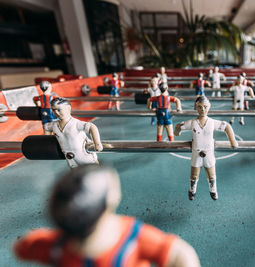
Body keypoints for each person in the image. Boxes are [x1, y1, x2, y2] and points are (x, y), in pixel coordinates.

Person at [14, 164, 201, 267]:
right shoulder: (130, 238)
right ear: (111, 200)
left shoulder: (55, 247)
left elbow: (23, 247)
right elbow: (180, 254)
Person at [174, 96, 238, 200]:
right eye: (199, 107)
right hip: (196, 153)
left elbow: (226, 126)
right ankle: (192, 190)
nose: (202, 109)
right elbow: (178, 127)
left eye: (205, 106)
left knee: (212, 176)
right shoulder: (193, 122)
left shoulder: (212, 122)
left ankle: (213, 190)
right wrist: (177, 131)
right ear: (196, 107)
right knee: (194, 176)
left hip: (209, 153)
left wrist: (233, 141)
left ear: (209, 107)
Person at [48, 97, 103, 168]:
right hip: (72, 161)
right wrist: (48, 140)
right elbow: (46, 127)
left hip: (86, 158)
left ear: (68, 108)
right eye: (54, 110)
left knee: (95, 174)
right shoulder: (54, 125)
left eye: (59, 110)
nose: (56, 113)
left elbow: (92, 127)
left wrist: (97, 143)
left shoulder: (76, 124)